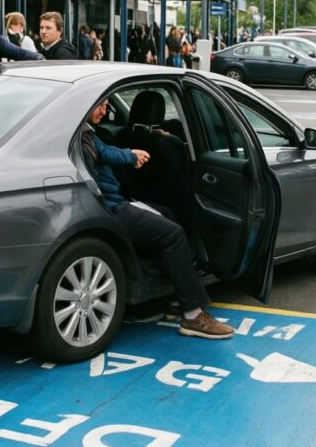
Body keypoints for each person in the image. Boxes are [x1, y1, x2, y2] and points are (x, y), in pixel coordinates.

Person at [81, 99, 234, 339]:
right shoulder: (82, 138)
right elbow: (92, 178)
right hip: (110, 209)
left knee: (167, 216)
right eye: (100, 105)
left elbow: (106, 151)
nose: (105, 111)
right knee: (174, 234)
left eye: (108, 105)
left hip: (114, 204)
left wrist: (131, 153)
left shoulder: (87, 132)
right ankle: (193, 315)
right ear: (84, 105)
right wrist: (132, 156)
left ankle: (177, 297)